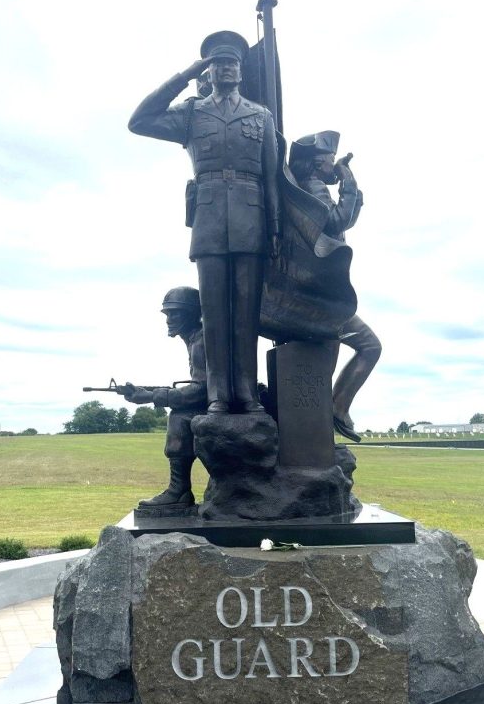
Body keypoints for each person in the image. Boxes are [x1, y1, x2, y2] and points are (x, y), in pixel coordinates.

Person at [128, 31, 280, 414]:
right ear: (208, 71)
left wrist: (274, 226)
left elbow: (273, 176)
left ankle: (245, 393)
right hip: (209, 219)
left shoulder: (261, 116)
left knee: (246, 315)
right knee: (213, 316)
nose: (225, 68)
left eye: (231, 63)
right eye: (217, 64)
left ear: (241, 71)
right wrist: (183, 76)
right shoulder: (192, 112)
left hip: (252, 216)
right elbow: (139, 120)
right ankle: (216, 393)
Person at [288, 131, 382, 443]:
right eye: (330, 160)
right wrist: (349, 181)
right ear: (318, 164)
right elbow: (338, 220)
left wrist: (347, 185)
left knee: (320, 371)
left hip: (321, 291)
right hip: (320, 297)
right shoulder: (314, 186)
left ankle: (328, 414)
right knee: (370, 346)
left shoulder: (310, 186)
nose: (334, 164)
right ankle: (336, 409)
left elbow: (342, 218)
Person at [121, 287, 207, 511]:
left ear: (191, 314)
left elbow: (202, 390)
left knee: (179, 417)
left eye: (175, 314)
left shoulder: (201, 343)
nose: (168, 320)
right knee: (179, 415)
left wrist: (150, 396)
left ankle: (178, 490)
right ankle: (179, 490)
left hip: (223, 407)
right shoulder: (195, 339)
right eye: (167, 314)